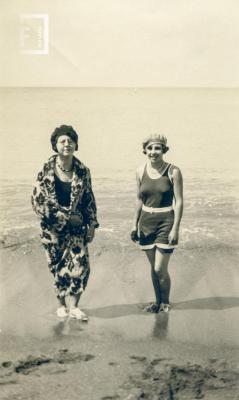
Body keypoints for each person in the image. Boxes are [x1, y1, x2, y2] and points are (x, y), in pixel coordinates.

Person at [31, 125, 99, 320]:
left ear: (76, 144)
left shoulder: (83, 171)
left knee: (81, 265)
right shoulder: (45, 170)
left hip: (77, 228)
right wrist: (66, 217)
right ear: (55, 145)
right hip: (51, 227)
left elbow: (89, 199)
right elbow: (37, 202)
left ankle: (75, 306)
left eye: (70, 141)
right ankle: (61, 305)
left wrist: (92, 224)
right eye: (62, 141)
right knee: (57, 267)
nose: (67, 144)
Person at [131, 134, 183, 313]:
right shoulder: (139, 171)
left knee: (160, 267)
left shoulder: (173, 171)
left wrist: (175, 228)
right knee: (153, 268)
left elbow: (180, 201)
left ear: (163, 150)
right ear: (145, 150)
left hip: (166, 221)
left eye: (157, 148)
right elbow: (139, 199)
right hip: (146, 223)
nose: (153, 152)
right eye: (150, 148)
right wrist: (134, 224)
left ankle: (165, 302)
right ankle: (157, 302)